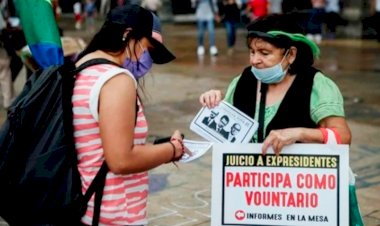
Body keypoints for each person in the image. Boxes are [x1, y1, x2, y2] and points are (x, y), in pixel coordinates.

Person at [73, 5, 188, 225]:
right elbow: (121, 160)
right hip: (114, 212)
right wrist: (173, 149)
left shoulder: (81, 67)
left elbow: (96, 146)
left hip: (86, 206)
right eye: (148, 48)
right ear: (128, 34)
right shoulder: (117, 80)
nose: (149, 59)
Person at [199, 13, 351, 155]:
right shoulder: (244, 80)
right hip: (251, 180)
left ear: (291, 54)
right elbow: (224, 131)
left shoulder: (315, 84)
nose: (254, 60)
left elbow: (343, 138)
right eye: (252, 52)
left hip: (299, 180)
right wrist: (215, 105)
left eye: (264, 53)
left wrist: (299, 133)